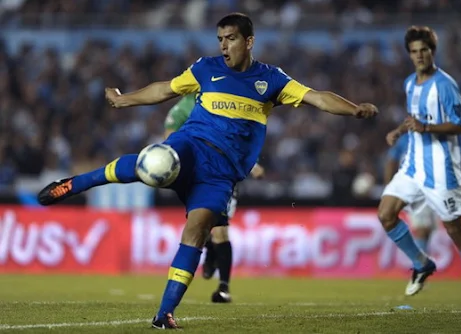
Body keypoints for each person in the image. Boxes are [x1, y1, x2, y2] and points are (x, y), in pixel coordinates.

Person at [37, 13, 378, 329]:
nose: (224, 46)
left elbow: (317, 97)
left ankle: (164, 313)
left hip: (221, 174)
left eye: (230, 38)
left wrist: (354, 110)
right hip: (191, 147)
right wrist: (125, 99)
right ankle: (73, 185)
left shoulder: (272, 80)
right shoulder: (206, 68)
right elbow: (166, 89)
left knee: (198, 230)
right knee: (151, 162)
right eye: (220, 39)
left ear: (249, 41)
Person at [378, 25, 461, 308]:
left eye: (424, 50)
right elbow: (414, 117)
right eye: (414, 52)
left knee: (455, 230)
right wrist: (399, 132)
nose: (419, 56)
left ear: (432, 52)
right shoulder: (408, 83)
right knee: (386, 213)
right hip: (414, 166)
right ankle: (421, 262)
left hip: (442, 171)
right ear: (410, 55)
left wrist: (426, 127)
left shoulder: (445, 85)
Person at [163, 94, 265, 303]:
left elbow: (238, 139)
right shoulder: (183, 109)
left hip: (222, 176)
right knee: (204, 226)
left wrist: (252, 165)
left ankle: (224, 287)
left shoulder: (224, 101)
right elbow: (169, 141)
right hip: (196, 175)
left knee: (220, 230)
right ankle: (209, 249)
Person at [384, 134, 437, 254]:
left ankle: (423, 259)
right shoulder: (405, 139)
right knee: (421, 228)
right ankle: (421, 265)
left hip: (432, 187)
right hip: (415, 187)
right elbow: (391, 161)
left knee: (428, 229)